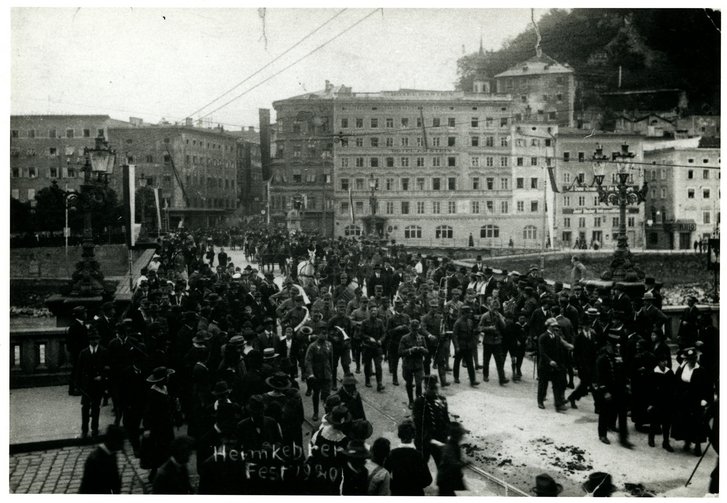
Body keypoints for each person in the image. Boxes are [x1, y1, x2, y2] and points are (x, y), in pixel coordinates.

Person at [595, 331, 632, 448]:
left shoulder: (618, 357)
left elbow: (623, 372)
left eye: (618, 345)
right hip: (608, 390)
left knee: (622, 414)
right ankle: (602, 434)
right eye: (614, 345)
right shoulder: (602, 359)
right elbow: (599, 378)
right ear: (608, 345)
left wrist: (627, 384)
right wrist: (605, 391)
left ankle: (624, 439)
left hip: (619, 390)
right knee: (604, 413)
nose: (617, 347)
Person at [671, 348, 711, 456]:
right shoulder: (682, 368)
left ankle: (697, 445)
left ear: (696, 359)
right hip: (683, 399)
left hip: (695, 399)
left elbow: (707, 387)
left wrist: (705, 399)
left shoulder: (701, 370)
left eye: (693, 359)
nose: (691, 361)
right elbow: (677, 382)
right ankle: (687, 441)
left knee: (696, 422)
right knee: (684, 420)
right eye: (689, 359)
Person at [76, 327, 110, 438]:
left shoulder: (104, 352)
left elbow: (108, 368)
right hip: (87, 386)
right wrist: (79, 385)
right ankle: (84, 429)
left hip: (98, 385)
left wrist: (102, 377)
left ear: (99, 340)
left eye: (96, 339)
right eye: (92, 339)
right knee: (85, 407)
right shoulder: (83, 353)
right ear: (89, 340)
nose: (94, 341)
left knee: (96, 407)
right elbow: (79, 370)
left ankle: (94, 428)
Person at [385, 419, 432, 496]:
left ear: (399, 435)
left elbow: (385, 476)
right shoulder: (418, 455)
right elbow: (428, 480)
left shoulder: (392, 454)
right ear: (413, 435)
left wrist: (395, 486)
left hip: (398, 493)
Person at [412, 375, 450, 466]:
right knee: (421, 466)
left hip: (440, 438)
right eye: (431, 388)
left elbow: (445, 419)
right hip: (424, 440)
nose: (434, 391)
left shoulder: (442, 399)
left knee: (442, 466)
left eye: (436, 388)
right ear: (425, 387)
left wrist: (449, 434)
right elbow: (418, 424)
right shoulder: (420, 402)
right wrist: (427, 440)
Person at [79, 424, 125, 494]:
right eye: (121, 442)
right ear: (113, 441)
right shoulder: (96, 460)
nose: (122, 445)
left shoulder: (111, 454)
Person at [537, 318, 570, 411]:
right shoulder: (542, 337)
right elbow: (542, 352)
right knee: (543, 384)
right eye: (553, 326)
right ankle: (540, 401)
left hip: (555, 365)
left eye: (556, 326)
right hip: (545, 365)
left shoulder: (557, 337)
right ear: (548, 326)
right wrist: (549, 361)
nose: (556, 328)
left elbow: (559, 351)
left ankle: (558, 404)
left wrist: (560, 363)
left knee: (557, 384)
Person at [647, 352, 675, 452]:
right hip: (657, 402)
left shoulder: (669, 372)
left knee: (667, 424)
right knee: (654, 422)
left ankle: (666, 442)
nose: (665, 363)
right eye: (663, 361)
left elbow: (673, 387)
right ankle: (651, 438)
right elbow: (650, 390)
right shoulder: (653, 373)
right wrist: (651, 403)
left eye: (666, 361)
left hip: (667, 402)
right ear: (658, 362)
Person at [398, 319, 429, 408]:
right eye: (413, 329)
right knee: (409, 383)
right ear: (410, 328)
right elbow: (400, 352)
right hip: (408, 364)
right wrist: (410, 350)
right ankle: (411, 401)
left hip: (419, 364)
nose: (415, 331)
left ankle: (418, 402)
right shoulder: (404, 338)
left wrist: (422, 349)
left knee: (419, 384)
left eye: (416, 329)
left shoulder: (422, 338)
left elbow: (427, 351)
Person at [304, 328, 333, 422]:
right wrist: (311, 374)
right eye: (322, 333)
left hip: (327, 374)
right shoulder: (312, 346)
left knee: (327, 395)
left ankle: (327, 413)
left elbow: (331, 359)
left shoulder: (329, 344)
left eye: (326, 333)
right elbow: (308, 361)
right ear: (318, 334)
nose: (324, 335)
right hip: (316, 374)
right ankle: (316, 412)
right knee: (316, 394)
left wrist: (331, 371)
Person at [437, 422, 467, 496]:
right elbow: (453, 464)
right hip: (446, 480)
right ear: (457, 436)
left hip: (446, 479)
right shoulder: (450, 447)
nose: (463, 436)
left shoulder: (453, 445)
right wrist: (465, 464)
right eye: (461, 435)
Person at [452, 306, 480, 387]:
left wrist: (477, 331)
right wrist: (456, 346)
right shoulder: (458, 323)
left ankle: (472, 380)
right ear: (463, 313)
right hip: (461, 345)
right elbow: (455, 335)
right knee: (457, 362)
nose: (469, 314)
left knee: (470, 363)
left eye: (469, 313)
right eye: (468, 313)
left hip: (468, 346)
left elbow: (471, 333)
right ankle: (456, 377)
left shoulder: (470, 322)